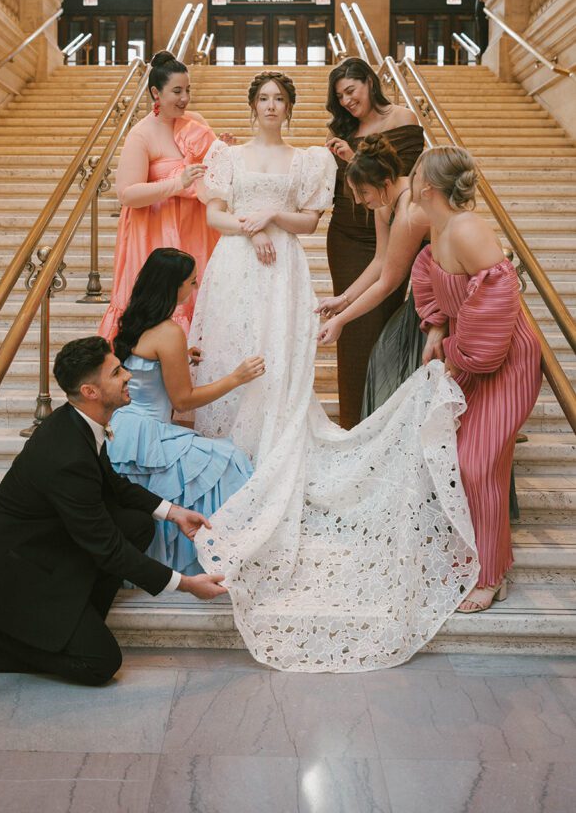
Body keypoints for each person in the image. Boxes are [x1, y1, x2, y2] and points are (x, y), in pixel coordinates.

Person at [189, 72, 479, 673]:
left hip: (374, 297)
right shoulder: (233, 156)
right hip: (242, 267)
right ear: (252, 107)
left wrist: (342, 315)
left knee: (343, 384)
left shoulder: (386, 203)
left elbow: (382, 269)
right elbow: (377, 266)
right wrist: (338, 302)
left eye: (279, 99)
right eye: (262, 98)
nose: (271, 106)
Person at [0, 336, 227, 685]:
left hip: (46, 542)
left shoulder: (79, 422)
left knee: (137, 525)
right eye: (117, 372)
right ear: (91, 392)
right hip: (22, 567)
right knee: (100, 663)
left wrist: (173, 511)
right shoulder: (66, 453)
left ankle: (70, 619)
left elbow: (111, 485)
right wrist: (187, 584)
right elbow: (107, 547)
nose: (128, 376)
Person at [410, 146, 542, 613]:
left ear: (427, 186)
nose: (410, 176)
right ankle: (479, 561)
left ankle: (490, 574)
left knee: (477, 464)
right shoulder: (438, 225)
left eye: (415, 171)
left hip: (505, 361)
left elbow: (498, 293)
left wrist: (457, 353)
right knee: (456, 461)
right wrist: (437, 325)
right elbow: (430, 275)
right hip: (469, 357)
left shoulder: (466, 227)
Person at [107, 247, 263, 576]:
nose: (195, 288)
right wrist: (236, 378)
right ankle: (217, 556)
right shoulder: (168, 331)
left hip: (124, 429)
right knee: (230, 461)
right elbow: (183, 401)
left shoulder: (135, 321)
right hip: (149, 433)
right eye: (192, 282)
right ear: (173, 286)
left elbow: (146, 368)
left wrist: (180, 356)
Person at [324, 57, 423, 428]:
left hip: (395, 230)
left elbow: (398, 179)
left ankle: (382, 419)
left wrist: (355, 159)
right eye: (340, 97)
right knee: (352, 334)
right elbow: (350, 190)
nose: (347, 101)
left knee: (383, 325)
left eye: (351, 90)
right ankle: (354, 421)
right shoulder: (346, 129)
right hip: (350, 235)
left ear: (370, 81)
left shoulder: (405, 120)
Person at [98, 50, 221, 342]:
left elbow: (213, 172)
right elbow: (127, 194)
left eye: (187, 90)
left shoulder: (196, 121)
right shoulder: (141, 134)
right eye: (176, 91)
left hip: (196, 228)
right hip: (155, 232)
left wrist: (222, 152)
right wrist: (176, 183)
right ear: (156, 92)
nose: (184, 98)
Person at [316, 135, 429, 418]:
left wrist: (341, 320)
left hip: (437, 298)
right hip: (422, 296)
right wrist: (343, 299)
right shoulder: (383, 205)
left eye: (363, 192)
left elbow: (389, 282)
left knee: (388, 358)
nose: (358, 200)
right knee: (383, 361)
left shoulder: (409, 212)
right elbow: (379, 262)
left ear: (386, 183)